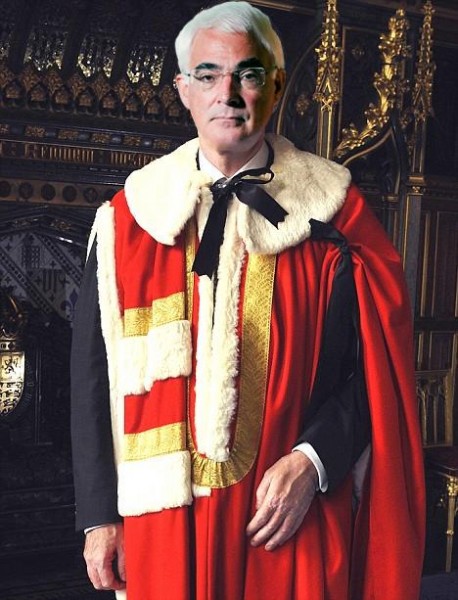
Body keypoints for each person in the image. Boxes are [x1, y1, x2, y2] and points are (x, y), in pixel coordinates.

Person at [70, 2, 425, 599]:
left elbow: (378, 377)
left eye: (249, 75)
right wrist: (99, 516)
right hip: (163, 524)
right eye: (208, 74)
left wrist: (314, 461)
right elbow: (91, 378)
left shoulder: (336, 219)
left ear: (276, 87)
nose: (228, 94)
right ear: (184, 90)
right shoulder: (128, 221)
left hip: (289, 519)